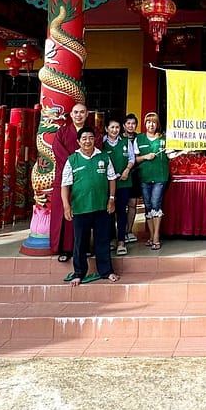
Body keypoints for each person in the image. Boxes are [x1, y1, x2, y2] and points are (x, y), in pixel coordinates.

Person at [60, 126, 119, 285]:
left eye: (91, 138)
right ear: (78, 141)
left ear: (95, 140)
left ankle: (106, 272)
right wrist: (67, 206)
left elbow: (112, 179)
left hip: (102, 207)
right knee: (80, 242)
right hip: (80, 208)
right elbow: (65, 185)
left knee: (103, 240)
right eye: (84, 138)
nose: (88, 141)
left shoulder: (104, 157)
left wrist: (111, 199)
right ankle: (79, 273)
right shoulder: (72, 160)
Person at [51, 102, 96, 262]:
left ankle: (84, 248)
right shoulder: (62, 131)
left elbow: (95, 152)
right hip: (65, 177)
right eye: (76, 112)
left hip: (86, 179)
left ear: (87, 114)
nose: (79, 115)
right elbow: (58, 151)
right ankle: (64, 249)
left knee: (85, 213)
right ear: (71, 114)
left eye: (82, 112)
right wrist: (75, 163)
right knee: (65, 212)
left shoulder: (92, 132)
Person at [134, 112, 169, 251]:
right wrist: (145, 157)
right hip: (144, 177)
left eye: (154, 122)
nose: (151, 124)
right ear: (145, 123)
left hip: (160, 176)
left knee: (156, 204)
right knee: (148, 206)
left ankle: (156, 237)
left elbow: (170, 155)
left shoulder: (163, 139)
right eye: (149, 122)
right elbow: (134, 159)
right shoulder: (139, 139)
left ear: (157, 124)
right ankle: (151, 235)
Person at [103, 118, 136, 255]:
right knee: (109, 211)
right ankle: (112, 239)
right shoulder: (102, 144)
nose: (115, 130)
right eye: (112, 127)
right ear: (106, 129)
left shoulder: (126, 142)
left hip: (123, 182)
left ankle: (121, 241)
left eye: (117, 127)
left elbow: (132, 158)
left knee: (122, 211)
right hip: (107, 183)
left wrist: (127, 170)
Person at [123, 113, 141, 243]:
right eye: (128, 123)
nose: (131, 126)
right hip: (120, 176)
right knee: (120, 205)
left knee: (133, 204)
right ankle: (119, 233)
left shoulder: (140, 138)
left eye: (133, 123)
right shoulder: (117, 138)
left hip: (134, 175)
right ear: (124, 125)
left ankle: (129, 231)